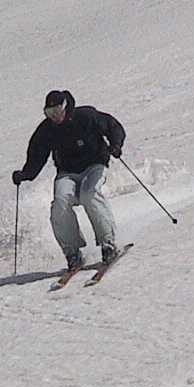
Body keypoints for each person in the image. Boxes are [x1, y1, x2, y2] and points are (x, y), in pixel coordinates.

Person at [12, 90, 126, 271]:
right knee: (60, 203)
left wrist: (116, 145)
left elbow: (113, 127)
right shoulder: (47, 130)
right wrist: (25, 174)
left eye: (57, 111)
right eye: (49, 113)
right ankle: (72, 253)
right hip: (67, 172)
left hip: (95, 164)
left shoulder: (86, 116)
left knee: (90, 194)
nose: (55, 117)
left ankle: (108, 244)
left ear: (65, 107)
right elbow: (37, 155)